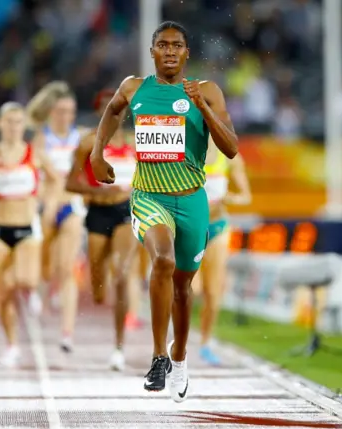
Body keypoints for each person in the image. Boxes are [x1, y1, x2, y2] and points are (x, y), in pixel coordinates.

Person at [90, 21, 238, 402]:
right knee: (163, 261)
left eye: (177, 46)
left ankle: (180, 356)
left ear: (187, 54)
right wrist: (97, 152)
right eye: (162, 45)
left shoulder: (206, 91)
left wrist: (202, 107)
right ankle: (158, 357)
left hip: (192, 200)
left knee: (183, 290)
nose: (170, 51)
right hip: (149, 197)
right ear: (152, 51)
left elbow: (232, 148)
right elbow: (111, 111)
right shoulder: (134, 87)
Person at [0, 102, 57, 367]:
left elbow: (57, 179)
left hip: (28, 226)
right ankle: (11, 344)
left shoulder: (34, 153)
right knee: (3, 292)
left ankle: (30, 291)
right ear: (0, 124)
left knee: (25, 278)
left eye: (18, 122)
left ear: (23, 126)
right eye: (9, 121)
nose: (14, 126)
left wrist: (49, 205)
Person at [65, 88, 138, 371]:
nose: (115, 114)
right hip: (97, 211)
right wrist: (99, 192)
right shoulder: (87, 143)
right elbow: (70, 183)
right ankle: (99, 286)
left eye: (120, 108)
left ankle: (119, 347)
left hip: (126, 212)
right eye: (109, 108)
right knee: (98, 286)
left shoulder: (134, 143)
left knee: (121, 274)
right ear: (100, 112)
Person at [28, 82, 87, 353]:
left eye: (71, 111)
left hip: (70, 208)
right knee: (44, 268)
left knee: (67, 269)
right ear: (51, 112)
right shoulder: (41, 140)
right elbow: (43, 175)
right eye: (61, 110)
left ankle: (67, 333)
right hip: (45, 209)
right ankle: (44, 288)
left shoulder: (81, 139)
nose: (66, 116)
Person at [195, 141, 251, 365]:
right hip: (189, 228)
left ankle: (206, 343)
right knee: (191, 289)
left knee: (212, 292)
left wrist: (230, 198)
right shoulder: (185, 151)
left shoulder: (229, 157)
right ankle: (176, 337)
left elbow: (246, 196)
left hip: (217, 227)